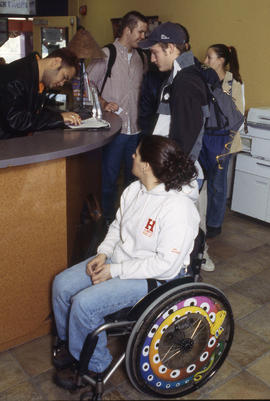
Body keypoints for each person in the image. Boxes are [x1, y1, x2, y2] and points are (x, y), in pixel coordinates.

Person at [52, 135, 200, 390]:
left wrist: (114, 271)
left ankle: (93, 365)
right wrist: (102, 254)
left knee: (84, 305)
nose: (132, 155)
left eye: (137, 154)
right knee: (61, 285)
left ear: (147, 166)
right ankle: (72, 346)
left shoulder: (179, 209)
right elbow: (117, 226)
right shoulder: (135, 189)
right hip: (120, 260)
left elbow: (166, 264)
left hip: (155, 277)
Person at [87, 11, 148, 225]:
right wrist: (104, 103)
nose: (143, 36)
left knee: (134, 180)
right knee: (109, 179)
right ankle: (108, 221)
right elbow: (88, 86)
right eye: (140, 31)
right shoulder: (106, 54)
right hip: (114, 131)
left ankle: (128, 218)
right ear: (127, 30)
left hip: (137, 130)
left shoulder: (142, 57)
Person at [138, 22, 209, 186]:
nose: (152, 59)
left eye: (155, 52)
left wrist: (170, 178)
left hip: (178, 176)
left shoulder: (185, 82)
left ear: (170, 48)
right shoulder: (180, 76)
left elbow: (185, 139)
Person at [202, 44, 245, 239]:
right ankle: (199, 221)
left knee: (217, 185)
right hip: (204, 138)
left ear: (220, 60)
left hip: (224, 141)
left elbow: (237, 116)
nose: (205, 61)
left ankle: (214, 224)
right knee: (200, 182)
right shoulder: (203, 80)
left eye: (209, 57)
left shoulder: (233, 83)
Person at [0, 48, 81, 140]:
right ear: (55, 62)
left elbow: (32, 112)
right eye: (64, 77)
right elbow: (15, 121)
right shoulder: (17, 77)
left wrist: (62, 116)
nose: (62, 83)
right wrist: (59, 118)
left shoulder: (36, 78)